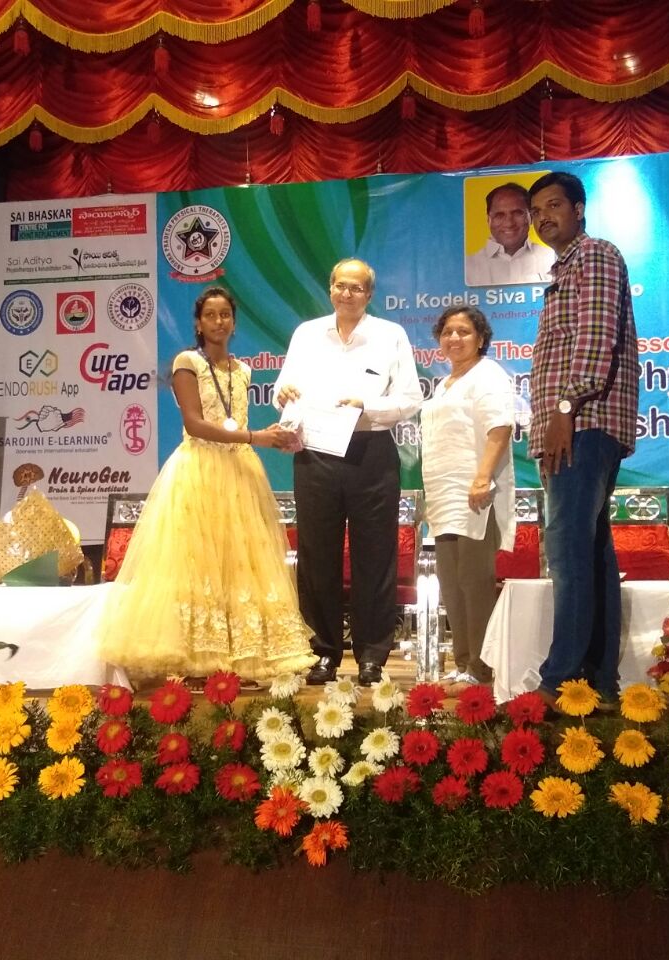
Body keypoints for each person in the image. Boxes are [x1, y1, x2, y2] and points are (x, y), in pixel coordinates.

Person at [97, 286, 315, 684]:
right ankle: (193, 654)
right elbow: (195, 424)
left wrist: (278, 435)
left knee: (241, 564)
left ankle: (244, 655)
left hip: (239, 473)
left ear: (234, 321)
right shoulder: (187, 362)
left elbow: (239, 421)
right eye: (210, 315)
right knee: (195, 562)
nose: (219, 322)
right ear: (198, 323)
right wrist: (255, 437)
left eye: (225, 315)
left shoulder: (243, 370)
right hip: (198, 469)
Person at [274, 258, 424, 686]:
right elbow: (283, 390)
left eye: (356, 288)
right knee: (316, 556)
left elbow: (410, 398)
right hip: (316, 452)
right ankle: (322, 651)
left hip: (370, 451)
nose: (347, 294)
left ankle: (372, 655)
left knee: (374, 556)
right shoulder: (307, 334)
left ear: (369, 294)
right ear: (330, 288)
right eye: (340, 285)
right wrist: (283, 393)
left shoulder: (390, 335)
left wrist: (366, 406)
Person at [526, 170, 639, 703]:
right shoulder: (565, 268)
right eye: (536, 211)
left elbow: (596, 338)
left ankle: (559, 681)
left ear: (579, 209)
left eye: (553, 205)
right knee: (590, 553)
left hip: (582, 423)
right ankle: (599, 683)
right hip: (575, 425)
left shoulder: (594, 255)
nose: (543, 217)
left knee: (569, 551)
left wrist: (565, 408)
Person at [419, 305, 516, 687]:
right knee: (452, 582)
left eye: (463, 331)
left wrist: (481, 478)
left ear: (480, 338)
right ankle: (462, 664)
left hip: (476, 494)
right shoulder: (445, 383)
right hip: (444, 498)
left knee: (475, 582)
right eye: (447, 332)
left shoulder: (487, 375)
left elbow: (499, 428)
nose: (454, 338)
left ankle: (481, 667)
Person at [464, 182, 556, 287]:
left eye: (517, 213)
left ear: (530, 217)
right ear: (489, 220)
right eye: (499, 215)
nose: (509, 223)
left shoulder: (552, 258)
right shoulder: (467, 267)